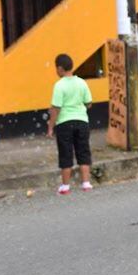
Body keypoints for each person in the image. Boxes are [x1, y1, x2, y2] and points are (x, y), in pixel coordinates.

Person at [46, 54, 93, 195]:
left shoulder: (59, 85)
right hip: (82, 121)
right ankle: (86, 183)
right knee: (83, 151)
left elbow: (56, 109)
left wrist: (50, 127)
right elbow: (89, 103)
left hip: (64, 123)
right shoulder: (82, 83)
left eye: (56, 68)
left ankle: (65, 186)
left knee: (65, 153)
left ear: (60, 68)